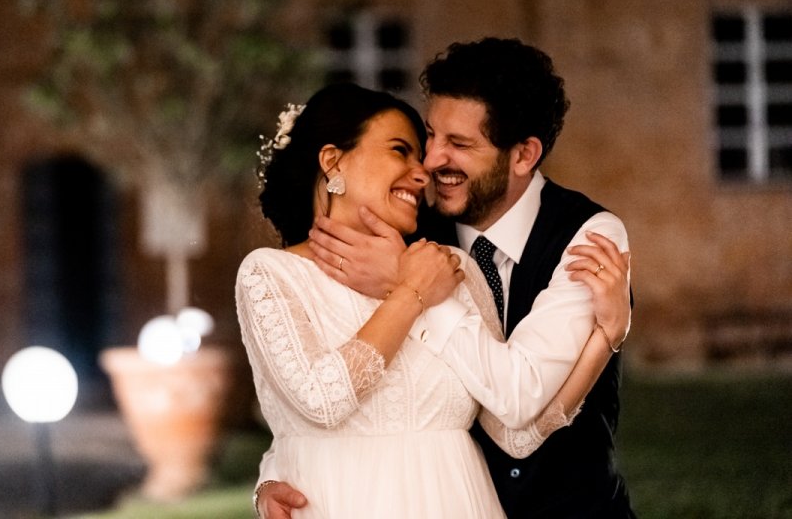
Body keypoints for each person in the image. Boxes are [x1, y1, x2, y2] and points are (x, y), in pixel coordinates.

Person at [238, 82, 631, 518]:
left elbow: (515, 433)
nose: (423, 170)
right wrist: (411, 292)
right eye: (400, 150)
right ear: (333, 161)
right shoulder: (270, 273)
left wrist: (606, 337)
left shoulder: (453, 266)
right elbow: (322, 401)